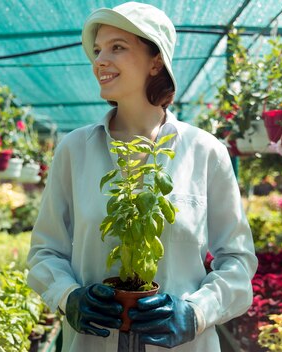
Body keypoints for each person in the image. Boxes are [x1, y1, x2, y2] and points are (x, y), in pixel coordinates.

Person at [26, 2, 258, 351]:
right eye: (98, 50)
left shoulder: (205, 151)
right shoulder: (74, 150)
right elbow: (46, 250)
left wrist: (196, 312)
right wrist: (68, 296)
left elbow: (238, 261)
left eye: (117, 47)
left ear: (155, 61)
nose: (100, 60)